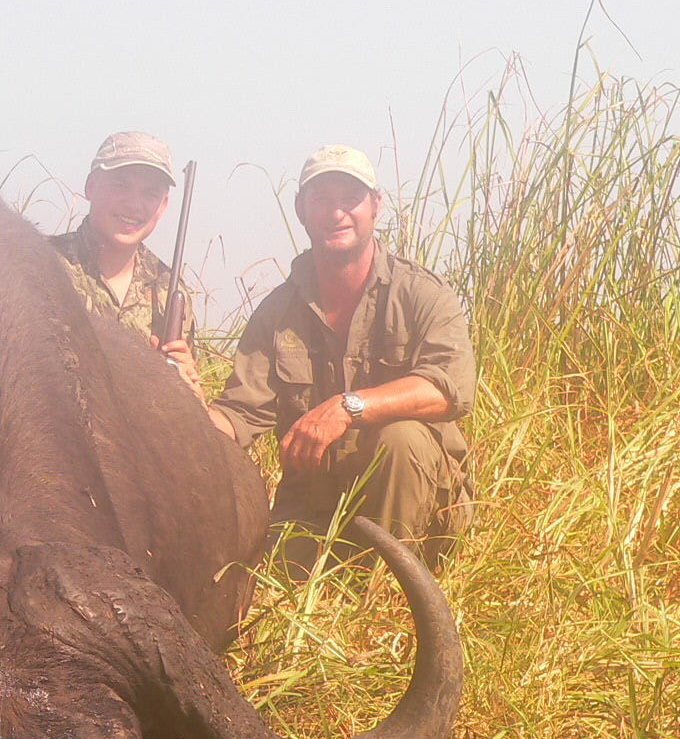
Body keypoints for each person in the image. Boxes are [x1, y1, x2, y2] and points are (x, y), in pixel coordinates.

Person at [205, 145, 475, 570]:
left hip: (418, 505)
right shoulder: (277, 311)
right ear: (301, 210)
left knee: (401, 438)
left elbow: (448, 389)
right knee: (252, 581)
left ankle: (387, 595)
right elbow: (238, 413)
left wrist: (347, 408)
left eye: (350, 199)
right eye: (322, 200)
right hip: (316, 505)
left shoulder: (423, 293)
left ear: (376, 206)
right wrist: (177, 419)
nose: (337, 214)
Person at [51, 131, 202, 398]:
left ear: (163, 205)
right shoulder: (43, 266)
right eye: (121, 186)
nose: (134, 204)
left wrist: (190, 391)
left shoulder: (171, 292)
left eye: (150, 193)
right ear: (90, 186)